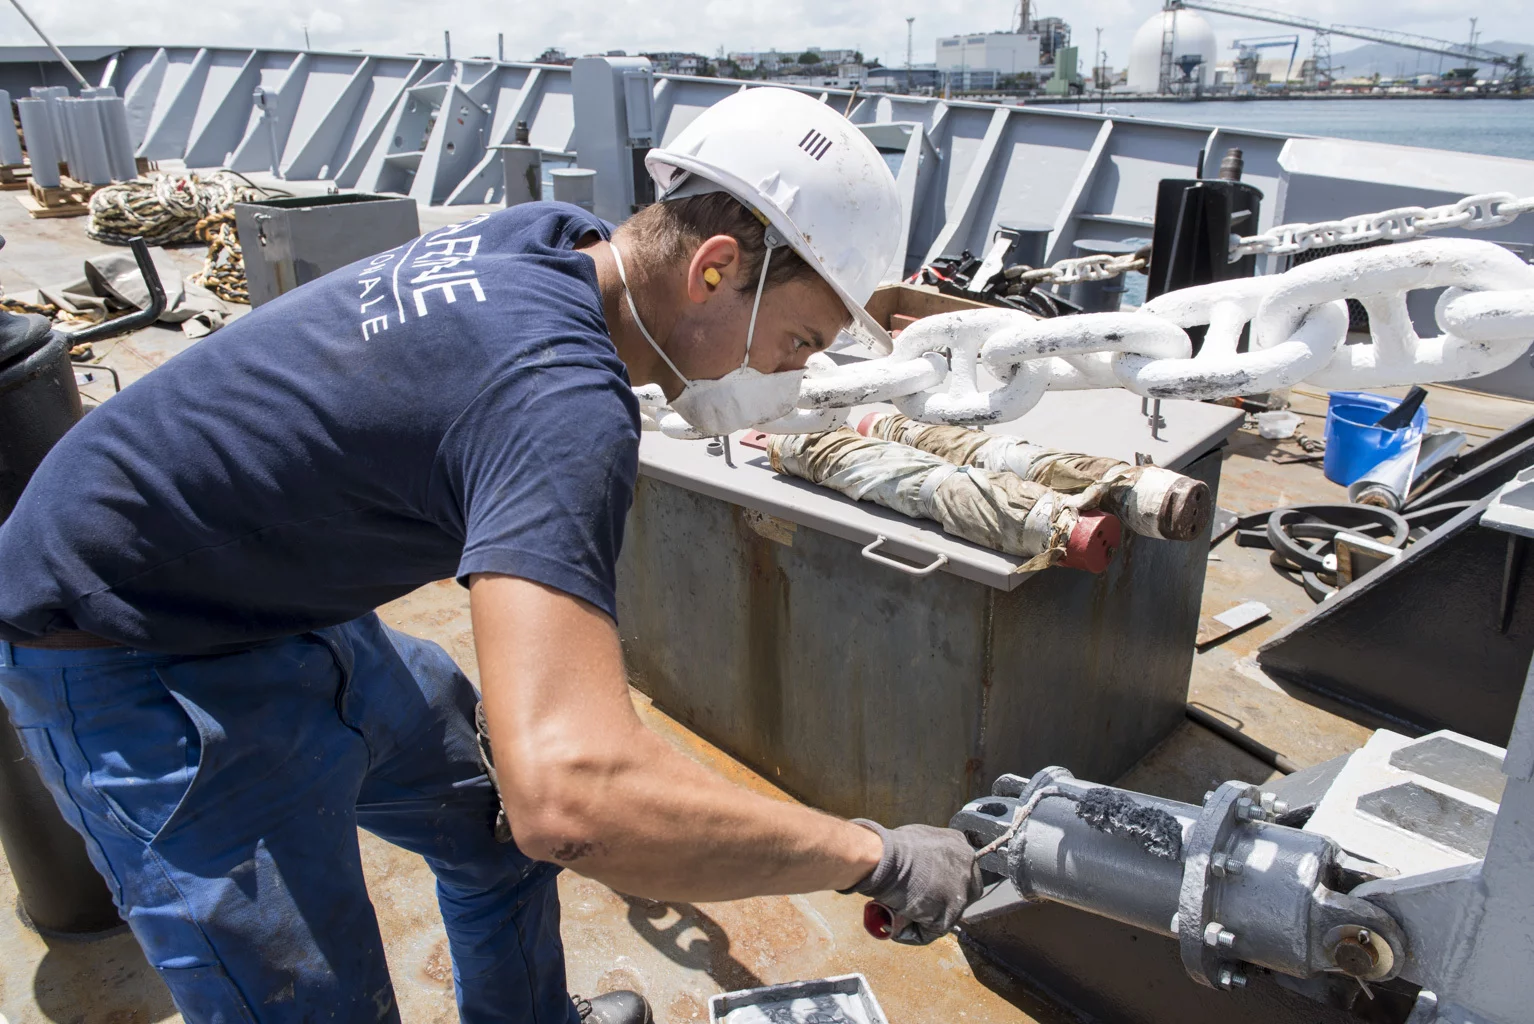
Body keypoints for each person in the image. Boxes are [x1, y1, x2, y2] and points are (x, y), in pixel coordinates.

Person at [0, 88, 981, 1024]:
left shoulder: (554, 240)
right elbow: (574, 794)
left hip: (270, 587)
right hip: (129, 648)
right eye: (798, 338)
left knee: (493, 826)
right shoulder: (560, 401)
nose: (789, 371)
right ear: (714, 268)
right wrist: (874, 856)